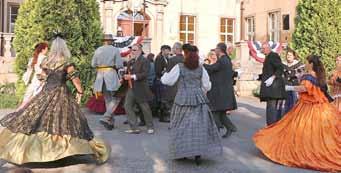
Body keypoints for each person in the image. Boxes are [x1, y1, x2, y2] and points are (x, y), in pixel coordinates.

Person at [0, 36, 110, 165]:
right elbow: (75, 80)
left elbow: (42, 77)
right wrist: (80, 91)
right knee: (64, 121)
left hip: (46, 92)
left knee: (40, 120)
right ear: (64, 48)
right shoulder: (66, 62)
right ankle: (62, 151)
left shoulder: (47, 61)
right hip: (61, 94)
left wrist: (44, 82)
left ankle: (30, 151)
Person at [254, 55, 340, 172]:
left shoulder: (309, 76)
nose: (305, 64)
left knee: (300, 129)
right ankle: (314, 150)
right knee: (317, 132)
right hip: (320, 106)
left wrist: (289, 88)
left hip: (308, 108)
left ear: (311, 64)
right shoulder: (319, 75)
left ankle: (305, 152)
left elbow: (304, 88)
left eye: (307, 62)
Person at [161, 45, 222, 166]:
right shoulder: (201, 68)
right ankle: (198, 154)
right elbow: (207, 86)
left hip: (183, 98)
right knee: (199, 126)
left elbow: (167, 81)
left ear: (185, 55)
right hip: (199, 98)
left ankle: (181, 151)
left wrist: (164, 75)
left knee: (180, 125)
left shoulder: (179, 67)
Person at [204, 43, 237, 138]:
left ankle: (216, 130)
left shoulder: (222, 60)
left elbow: (211, 68)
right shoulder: (226, 59)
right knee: (220, 113)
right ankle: (230, 127)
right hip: (222, 90)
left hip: (220, 91)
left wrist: (201, 64)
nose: (215, 51)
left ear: (220, 50)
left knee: (214, 111)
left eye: (216, 49)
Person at [92, 34, 123, 130]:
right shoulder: (115, 50)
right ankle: (106, 117)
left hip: (100, 76)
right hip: (111, 74)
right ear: (110, 41)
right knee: (117, 98)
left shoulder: (98, 50)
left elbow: (93, 64)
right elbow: (119, 65)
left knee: (108, 100)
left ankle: (110, 122)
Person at [123, 44, 154, 134]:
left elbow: (145, 74)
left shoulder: (145, 61)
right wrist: (125, 76)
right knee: (127, 105)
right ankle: (134, 127)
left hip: (141, 87)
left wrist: (132, 76)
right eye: (132, 50)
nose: (132, 52)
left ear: (140, 51)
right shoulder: (131, 61)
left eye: (134, 50)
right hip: (131, 87)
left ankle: (150, 126)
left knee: (144, 107)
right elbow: (128, 72)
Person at [259, 42, 286, 125]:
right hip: (270, 88)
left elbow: (280, 68)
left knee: (272, 110)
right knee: (270, 109)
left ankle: (271, 128)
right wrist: (260, 76)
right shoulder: (268, 57)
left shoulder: (273, 55)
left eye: (263, 49)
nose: (262, 50)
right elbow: (269, 71)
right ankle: (271, 127)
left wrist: (272, 78)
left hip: (274, 88)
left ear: (268, 48)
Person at [160, 42, 185, 124]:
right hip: (183, 85)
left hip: (173, 85)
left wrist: (164, 73)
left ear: (177, 49)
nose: (172, 50)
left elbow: (168, 73)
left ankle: (174, 122)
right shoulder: (185, 59)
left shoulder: (172, 60)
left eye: (173, 48)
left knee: (172, 104)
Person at [282, 48, 305, 114]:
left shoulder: (299, 65)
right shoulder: (283, 64)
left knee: (294, 103)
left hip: (295, 86)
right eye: (287, 55)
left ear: (294, 56)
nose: (288, 56)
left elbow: (301, 75)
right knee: (285, 104)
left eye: (290, 55)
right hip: (285, 86)